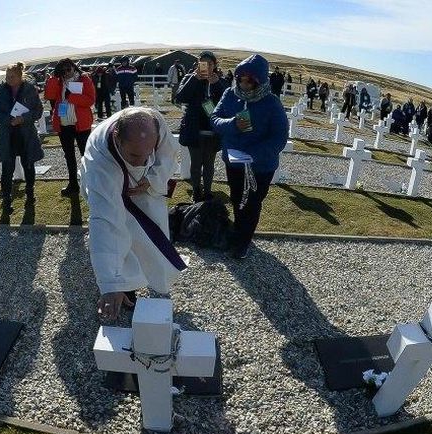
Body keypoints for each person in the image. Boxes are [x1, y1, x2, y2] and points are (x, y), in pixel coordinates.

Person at [79, 107, 186, 321]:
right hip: (108, 182)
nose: (141, 161)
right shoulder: (99, 163)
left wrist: (152, 178)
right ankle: (123, 285)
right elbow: (105, 222)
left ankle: (141, 275)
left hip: (143, 185)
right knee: (118, 227)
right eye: (134, 155)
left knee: (148, 231)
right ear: (117, 138)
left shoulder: (154, 120)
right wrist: (110, 284)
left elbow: (167, 154)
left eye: (148, 153)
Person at [211, 54, 288, 259]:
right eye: (240, 79)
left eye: (250, 80)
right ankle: (239, 232)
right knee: (237, 198)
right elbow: (214, 119)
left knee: (252, 202)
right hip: (234, 162)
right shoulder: (229, 94)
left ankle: (243, 242)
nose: (244, 84)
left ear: (260, 81)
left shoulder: (272, 103)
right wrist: (232, 124)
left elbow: (279, 138)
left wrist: (252, 155)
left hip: (260, 166)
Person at [0, 62, 44, 212]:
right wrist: (8, 119)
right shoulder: (2, 92)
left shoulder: (29, 90)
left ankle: (30, 193)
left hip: (25, 134)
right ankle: (7, 200)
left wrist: (24, 118)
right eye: (7, 76)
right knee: (7, 169)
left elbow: (38, 111)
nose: (8, 79)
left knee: (29, 165)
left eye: (12, 76)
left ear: (20, 76)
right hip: (8, 136)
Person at [175, 50, 227, 202]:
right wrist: (194, 79)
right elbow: (180, 97)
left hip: (212, 129)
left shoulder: (220, 80)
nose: (207, 67)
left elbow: (227, 100)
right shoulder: (189, 77)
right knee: (196, 163)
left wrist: (216, 84)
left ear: (215, 65)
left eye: (210, 64)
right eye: (203, 63)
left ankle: (208, 192)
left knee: (209, 164)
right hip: (194, 128)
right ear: (198, 64)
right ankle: (197, 192)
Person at [44, 58, 96, 196]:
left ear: (74, 68)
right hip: (64, 124)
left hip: (81, 124)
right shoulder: (59, 81)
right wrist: (54, 78)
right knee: (69, 156)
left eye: (69, 69)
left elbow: (90, 100)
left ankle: (92, 184)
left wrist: (72, 97)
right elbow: (49, 95)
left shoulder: (84, 79)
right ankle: (73, 185)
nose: (66, 73)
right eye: (62, 70)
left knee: (86, 155)